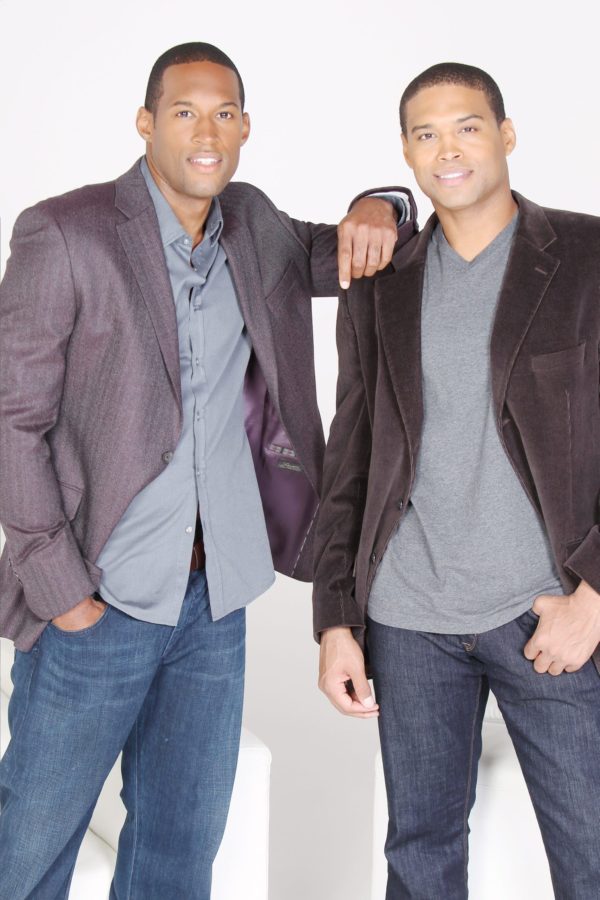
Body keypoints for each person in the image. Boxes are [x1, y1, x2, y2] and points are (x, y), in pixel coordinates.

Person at [0, 42, 415, 899]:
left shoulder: (253, 223)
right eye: (185, 112)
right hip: (98, 598)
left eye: (224, 114)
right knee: (30, 851)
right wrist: (60, 589)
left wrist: (382, 202)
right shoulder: (65, 232)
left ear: (246, 129)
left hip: (215, 605)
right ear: (146, 123)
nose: (206, 133)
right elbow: (12, 421)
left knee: (181, 850)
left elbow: (355, 249)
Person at [313, 62, 600, 899]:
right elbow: (351, 453)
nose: (448, 149)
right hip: (408, 620)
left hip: (547, 614)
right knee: (420, 856)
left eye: (468, 127)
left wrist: (594, 595)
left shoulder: (586, 258)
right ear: (406, 152)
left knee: (591, 853)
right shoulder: (382, 283)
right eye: (426, 134)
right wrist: (336, 618)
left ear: (506, 136)